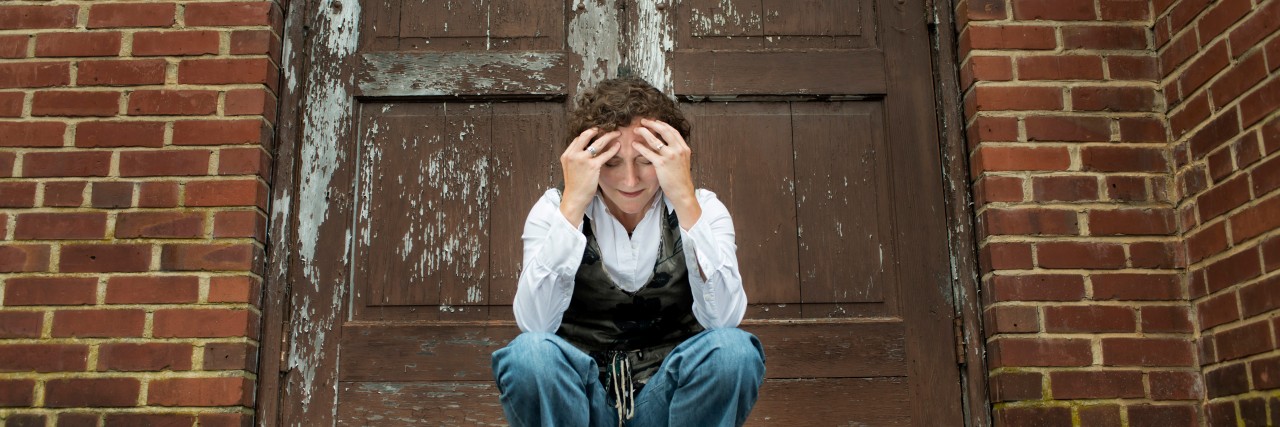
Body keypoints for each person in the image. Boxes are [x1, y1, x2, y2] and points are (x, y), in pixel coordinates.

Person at [490, 77, 766, 427]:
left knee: (733, 353)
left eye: (646, 161)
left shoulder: (704, 210)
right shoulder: (553, 212)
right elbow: (534, 325)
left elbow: (724, 321)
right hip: (582, 407)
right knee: (529, 355)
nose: (630, 181)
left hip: (666, 406)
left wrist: (684, 198)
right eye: (611, 163)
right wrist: (573, 202)